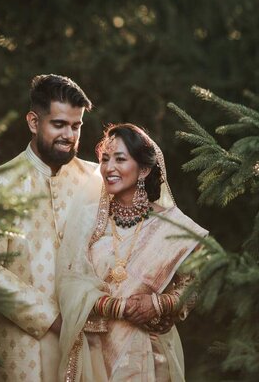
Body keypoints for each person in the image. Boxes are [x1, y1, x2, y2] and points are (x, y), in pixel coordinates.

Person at [57, 123, 208, 382]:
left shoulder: (171, 224)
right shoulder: (89, 220)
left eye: (120, 159)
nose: (109, 168)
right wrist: (115, 307)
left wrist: (159, 304)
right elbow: (68, 281)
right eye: (105, 159)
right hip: (94, 352)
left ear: (144, 169)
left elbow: (195, 283)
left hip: (149, 352)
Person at [0, 74, 102, 381]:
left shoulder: (98, 180)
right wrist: (53, 318)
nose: (69, 135)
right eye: (59, 124)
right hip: (22, 354)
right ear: (34, 122)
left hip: (92, 347)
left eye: (76, 126)